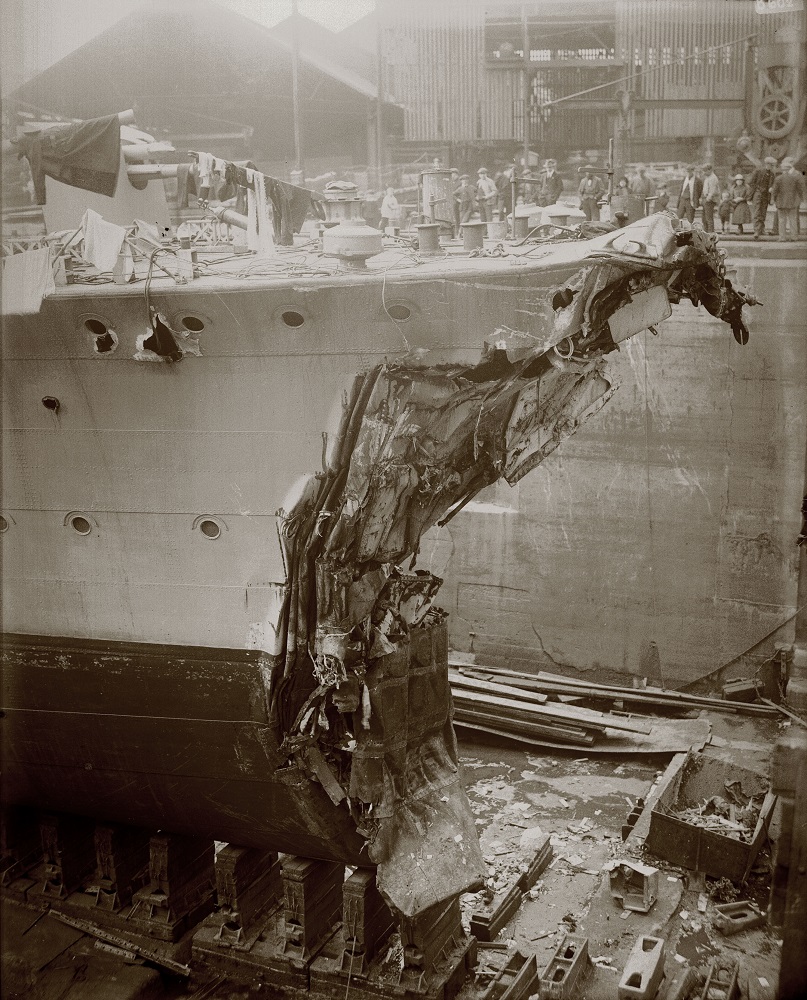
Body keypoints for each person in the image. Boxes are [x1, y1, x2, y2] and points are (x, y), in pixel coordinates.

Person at [771, 158, 806, 241]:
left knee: (782, 220)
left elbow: (774, 191)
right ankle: (794, 237)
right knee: (793, 219)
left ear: (783, 170)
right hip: (793, 202)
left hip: (781, 203)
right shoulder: (796, 177)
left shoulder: (778, 178)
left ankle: (782, 238)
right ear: (790, 169)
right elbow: (801, 189)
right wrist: (802, 199)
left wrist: (772, 200)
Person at [748, 155, 777, 240]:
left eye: (772, 165)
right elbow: (751, 182)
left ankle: (761, 229)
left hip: (765, 195)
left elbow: (772, 184)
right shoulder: (758, 171)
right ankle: (757, 230)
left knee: (763, 212)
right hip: (758, 194)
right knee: (757, 212)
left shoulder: (772, 174)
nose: (772, 167)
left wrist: (771, 187)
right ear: (767, 164)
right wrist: (757, 189)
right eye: (771, 165)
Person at [699, 164, 721, 233]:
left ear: (710, 170)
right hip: (706, 198)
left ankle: (710, 233)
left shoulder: (713, 178)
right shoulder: (708, 177)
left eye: (705, 171)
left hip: (709, 200)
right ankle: (706, 232)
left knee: (708, 218)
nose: (704, 172)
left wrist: (707, 199)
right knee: (704, 218)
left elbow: (712, 191)